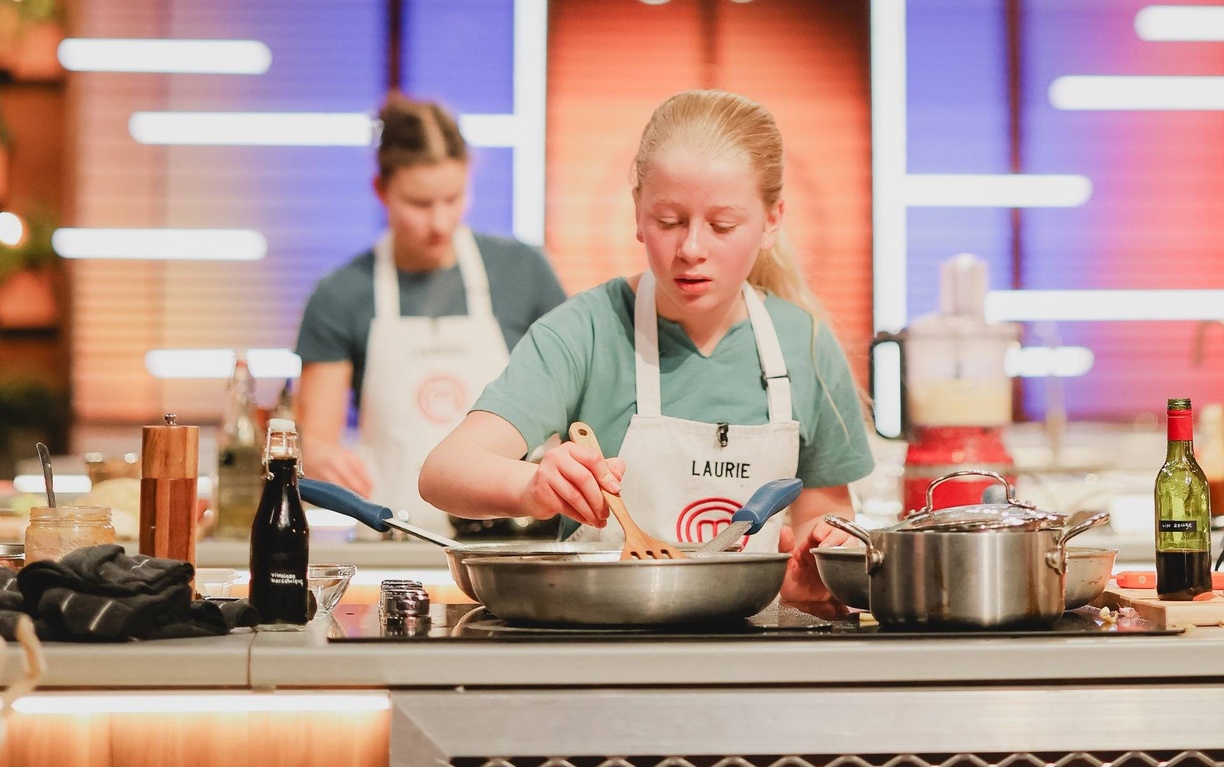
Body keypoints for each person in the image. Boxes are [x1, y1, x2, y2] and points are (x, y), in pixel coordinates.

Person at [419, 89, 872, 601]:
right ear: (638, 212)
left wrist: (820, 558)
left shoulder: (804, 342)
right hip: (600, 647)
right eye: (669, 222)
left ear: (771, 221)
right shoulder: (585, 332)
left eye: (722, 226)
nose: (692, 249)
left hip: (752, 652)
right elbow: (443, 473)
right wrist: (532, 487)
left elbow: (825, 511)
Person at [294, 92, 567, 536]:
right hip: (394, 536)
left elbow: (571, 404)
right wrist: (322, 456)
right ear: (381, 190)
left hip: (512, 541)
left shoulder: (524, 272)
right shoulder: (341, 294)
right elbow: (316, 439)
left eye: (453, 198)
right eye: (419, 204)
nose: (440, 222)